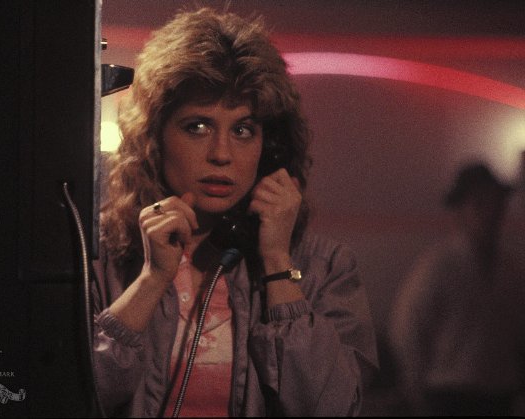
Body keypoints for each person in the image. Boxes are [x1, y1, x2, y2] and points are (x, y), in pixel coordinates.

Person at [91, 7, 378, 417]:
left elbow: (334, 409)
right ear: (154, 137)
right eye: (198, 127)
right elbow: (61, 396)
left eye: (243, 130)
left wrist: (277, 264)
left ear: (270, 146)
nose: (222, 154)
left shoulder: (324, 266)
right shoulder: (96, 256)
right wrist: (151, 280)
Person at [389, 162, 525, 416]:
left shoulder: (512, 270)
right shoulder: (438, 266)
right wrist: (416, 388)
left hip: (500, 392)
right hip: (449, 393)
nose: (490, 213)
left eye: (496, 204)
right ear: (461, 211)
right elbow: (407, 328)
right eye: (480, 204)